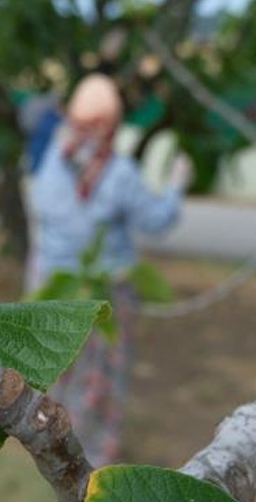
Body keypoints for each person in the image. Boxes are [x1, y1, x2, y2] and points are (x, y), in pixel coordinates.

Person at [25, 73, 192, 466]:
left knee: (56, 366)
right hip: (103, 294)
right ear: (113, 125)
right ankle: (91, 456)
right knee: (98, 379)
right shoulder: (118, 174)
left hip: (50, 283)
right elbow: (156, 221)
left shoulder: (50, 155)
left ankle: (51, 443)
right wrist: (177, 184)